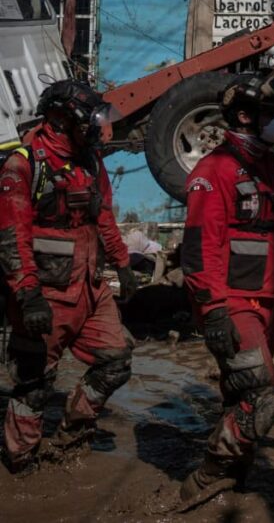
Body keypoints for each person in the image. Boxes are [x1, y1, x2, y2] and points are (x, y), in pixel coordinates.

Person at [179, 69, 274, 506]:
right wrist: (214, 309)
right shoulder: (214, 170)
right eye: (270, 114)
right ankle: (206, 476)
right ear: (243, 116)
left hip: (265, 301)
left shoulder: (266, 168)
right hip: (232, 303)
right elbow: (199, 250)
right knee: (263, 395)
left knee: (239, 392)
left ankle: (232, 482)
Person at [0, 80, 137, 473]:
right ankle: (19, 462)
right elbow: (12, 237)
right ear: (61, 119)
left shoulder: (90, 160)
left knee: (116, 360)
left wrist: (123, 264)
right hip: (45, 293)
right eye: (88, 119)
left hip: (90, 290)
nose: (96, 127)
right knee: (34, 384)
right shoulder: (24, 164)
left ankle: (71, 435)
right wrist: (27, 294)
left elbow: (104, 214)